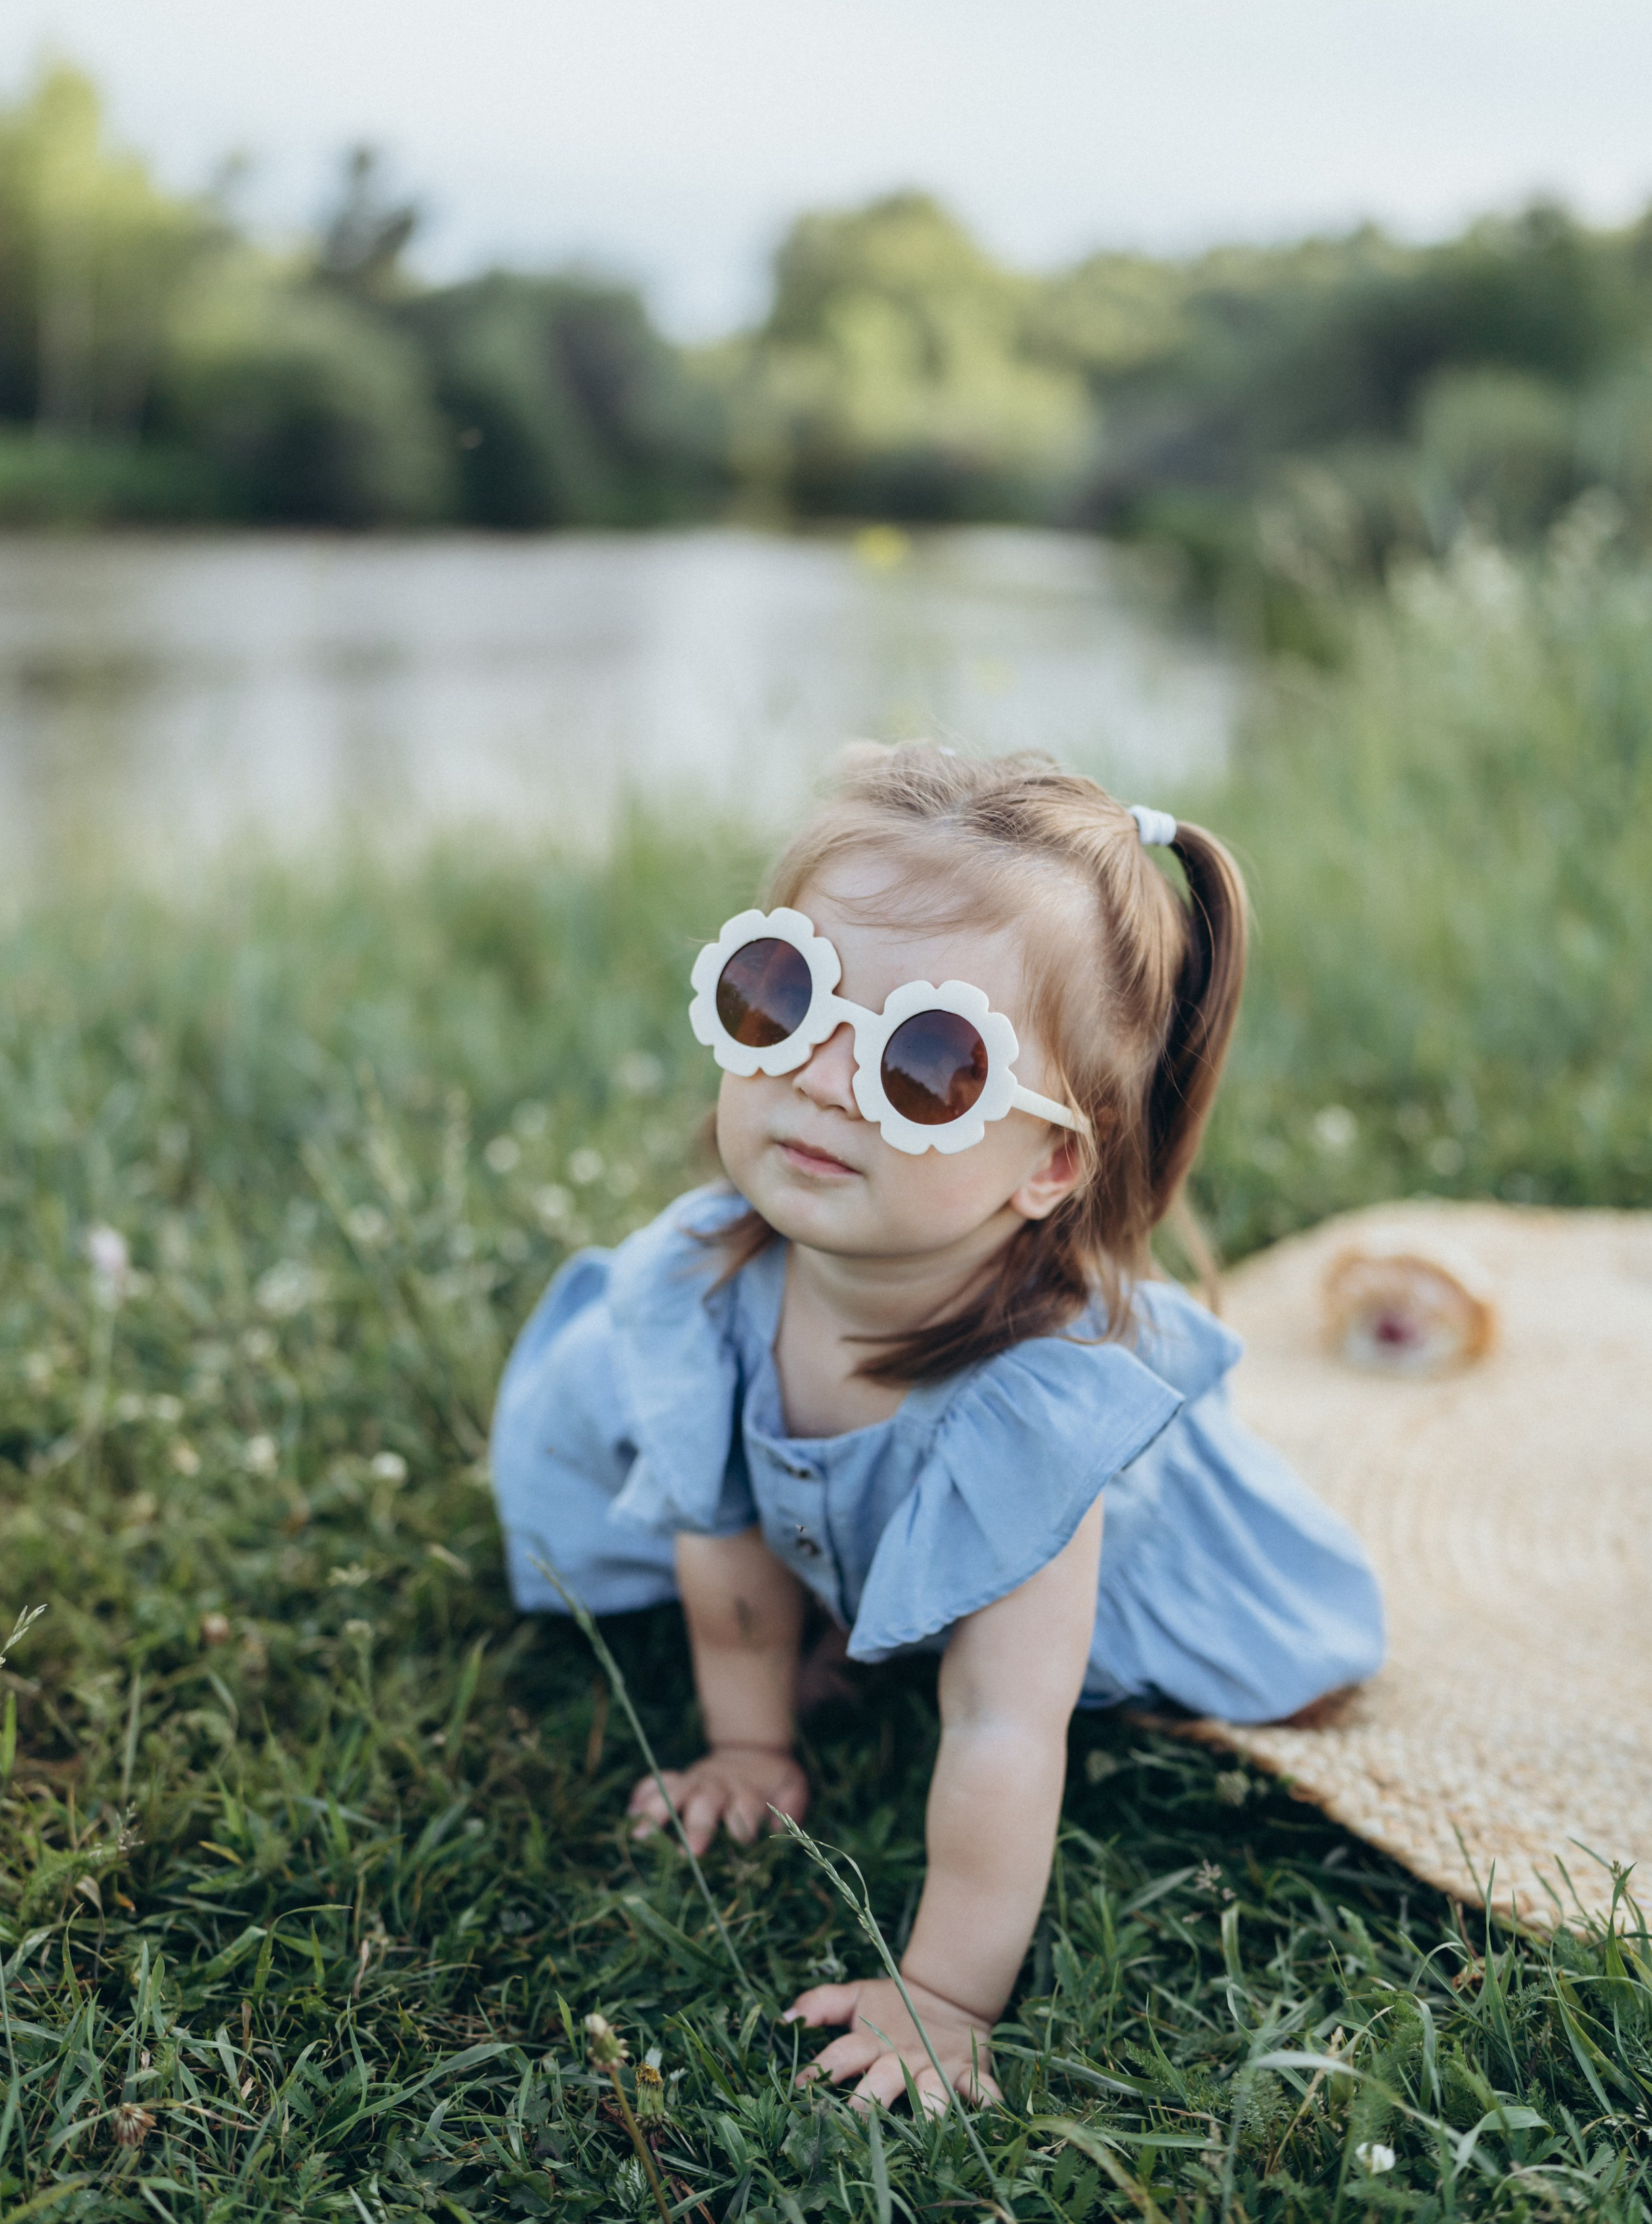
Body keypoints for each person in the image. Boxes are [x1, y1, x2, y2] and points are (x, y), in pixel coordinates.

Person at [492, 745, 1384, 2109]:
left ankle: (885, 1620)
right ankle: (839, 1618)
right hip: (816, 1531)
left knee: (1039, 1658)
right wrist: (747, 1742)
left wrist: (946, 1992)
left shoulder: (1038, 1410)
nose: (827, 1077)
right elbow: (718, 1527)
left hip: (1078, 1565)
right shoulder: (703, 1290)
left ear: (1049, 1165)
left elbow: (1000, 1727)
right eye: (781, 997)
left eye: (927, 1061)